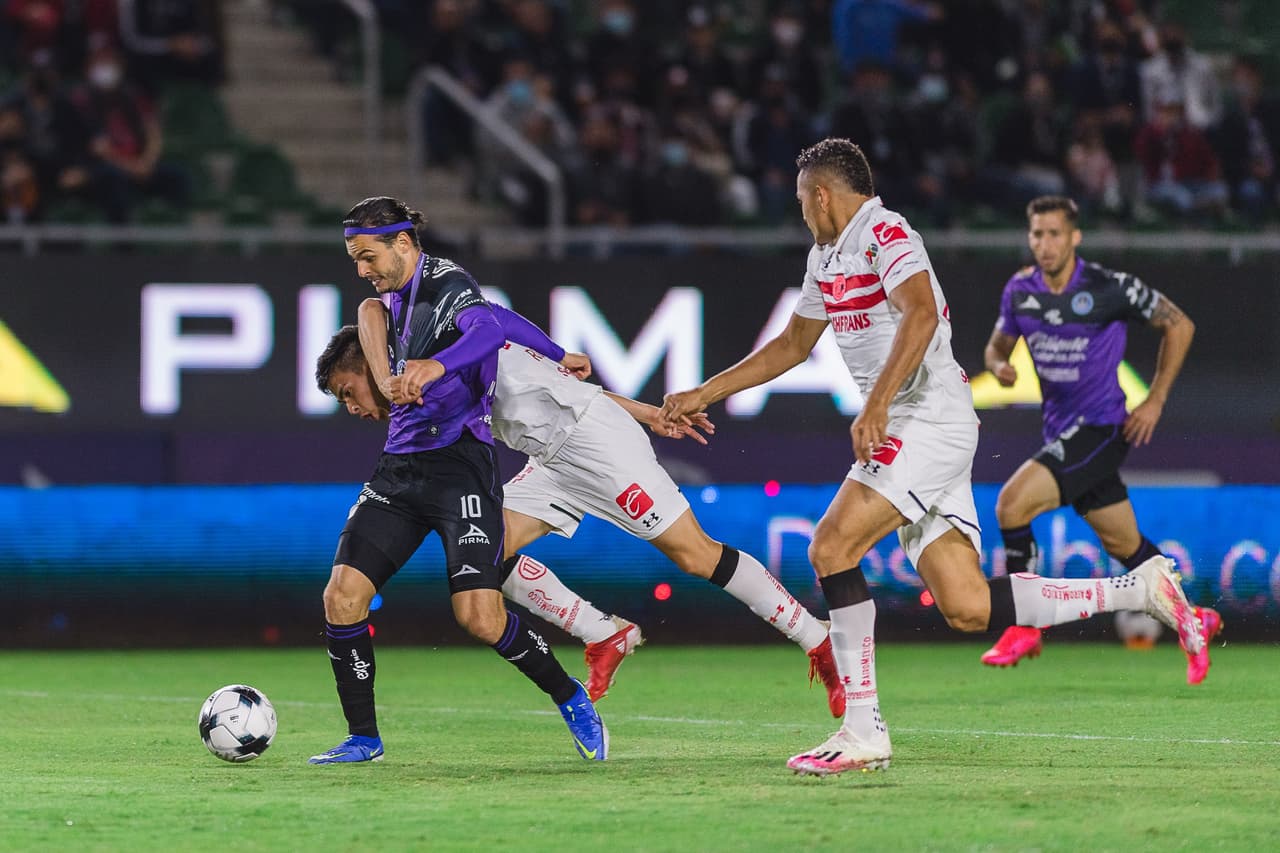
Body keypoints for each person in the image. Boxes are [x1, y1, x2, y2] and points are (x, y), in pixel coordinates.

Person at [660, 138, 1211, 777]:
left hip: (926, 416)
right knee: (967, 605)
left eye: (800, 200)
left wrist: (876, 405)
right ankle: (1138, 588)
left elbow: (920, 315)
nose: (800, 212)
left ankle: (863, 728)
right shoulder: (825, 255)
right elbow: (791, 343)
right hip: (916, 422)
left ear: (820, 195)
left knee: (831, 547)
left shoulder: (887, 232)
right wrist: (707, 391)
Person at [347, 292, 846, 716]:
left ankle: (816, 637)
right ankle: (604, 632)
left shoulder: (451, 348)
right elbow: (572, 387)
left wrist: (563, 357)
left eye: (349, 393)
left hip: (594, 445)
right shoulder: (426, 366)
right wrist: (649, 412)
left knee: (696, 554)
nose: (354, 409)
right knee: (484, 556)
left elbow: (492, 324)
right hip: (550, 456)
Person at [308, 196, 607, 765]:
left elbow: (488, 328)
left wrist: (437, 366)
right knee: (342, 597)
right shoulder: (387, 304)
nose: (362, 270)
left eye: (367, 256)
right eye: (354, 259)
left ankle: (569, 695)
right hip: (399, 472)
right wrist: (555, 349)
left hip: (460, 467)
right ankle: (363, 738)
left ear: (403, 243)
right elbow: (500, 318)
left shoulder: (446, 283)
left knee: (478, 617)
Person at [980, 194, 1220, 679]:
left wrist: (1154, 400)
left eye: (1053, 234)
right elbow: (995, 346)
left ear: (1074, 238)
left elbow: (1180, 325)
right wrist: (998, 366)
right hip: (1060, 433)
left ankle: (1025, 626)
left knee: (1011, 506)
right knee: (1128, 548)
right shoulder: (1020, 290)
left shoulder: (1108, 287)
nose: (1044, 244)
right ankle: (1195, 620)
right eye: (1036, 235)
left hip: (1103, 428)